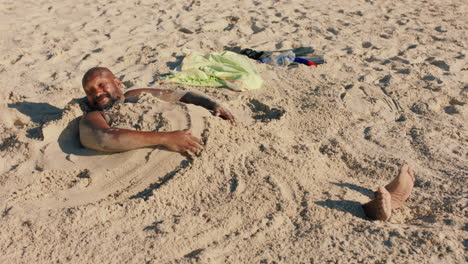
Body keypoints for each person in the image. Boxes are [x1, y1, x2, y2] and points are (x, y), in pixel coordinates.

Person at [79, 67, 234, 154]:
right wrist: (165, 138)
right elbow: (102, 139)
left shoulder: (135, 95)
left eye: (101, 85)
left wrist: (211, 103)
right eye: (90, 91)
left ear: (117, 83)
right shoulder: (94, 116)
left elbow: (180, 95)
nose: (97, 93)